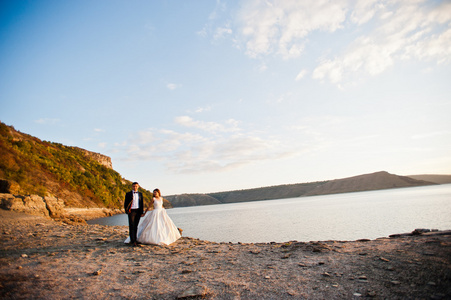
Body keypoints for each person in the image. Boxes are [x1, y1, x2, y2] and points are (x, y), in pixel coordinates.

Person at [124, 182, 144, 247]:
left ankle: (135, 239)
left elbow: (141, 203)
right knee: (131, 225)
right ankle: (133, 241)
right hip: (131, 211)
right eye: (133, 186)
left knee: (136, 225)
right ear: (132, 187)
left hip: (138, 211)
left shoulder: (140, 194)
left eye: (136, 186)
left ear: (138, 186)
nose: (135, 187)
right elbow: (125, 203)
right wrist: (127, 211)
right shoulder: (128, 194)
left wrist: (142, 212)